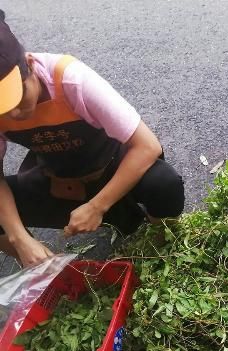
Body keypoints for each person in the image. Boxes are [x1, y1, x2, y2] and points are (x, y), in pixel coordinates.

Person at [0, 11, 184, 268]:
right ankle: (40, 270)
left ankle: (162, 251)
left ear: (30, 65)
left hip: (110, 167)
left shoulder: (70, 79)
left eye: (19, 98)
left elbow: (147, 146)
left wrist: (97, 206)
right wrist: (19, 238)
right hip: (58, 180)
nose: (14, 114)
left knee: (165, 183)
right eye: (3, 108)